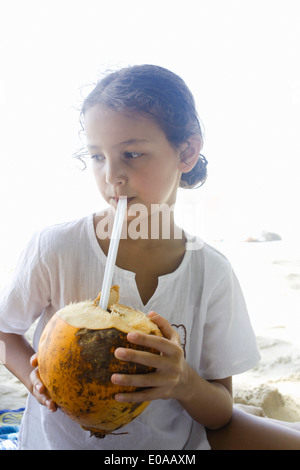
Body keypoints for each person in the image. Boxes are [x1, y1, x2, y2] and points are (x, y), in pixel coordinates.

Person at [0, 64, 298, 450]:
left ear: (187, 152)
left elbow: (221, 412)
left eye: (132, 153)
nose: (112, 176)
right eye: (97, 156)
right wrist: (34, 379)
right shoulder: (55, 247)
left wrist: (183, 381)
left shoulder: (212, 273)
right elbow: (6, 332)